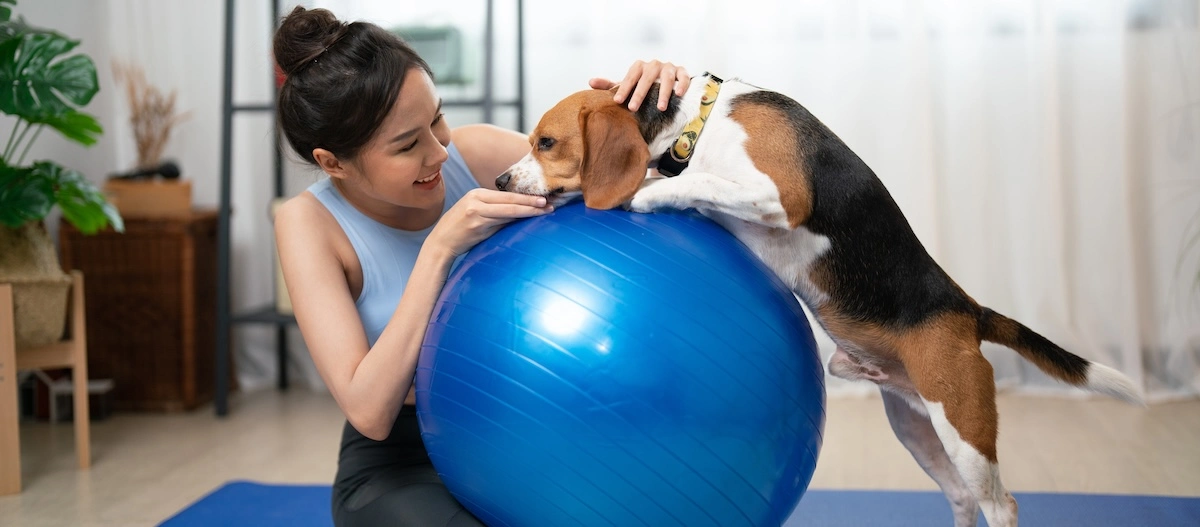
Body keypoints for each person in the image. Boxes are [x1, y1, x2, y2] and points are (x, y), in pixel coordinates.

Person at [271, 7, 690, 526]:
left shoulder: (480, 154)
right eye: (407, 145)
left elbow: (620, 180)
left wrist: (673, 120)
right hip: (404, 462)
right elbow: (369, 412)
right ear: (333, 163)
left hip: (537, 430)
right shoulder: (308, 224)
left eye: (437, 119)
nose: (440, 152)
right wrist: (439, 248)